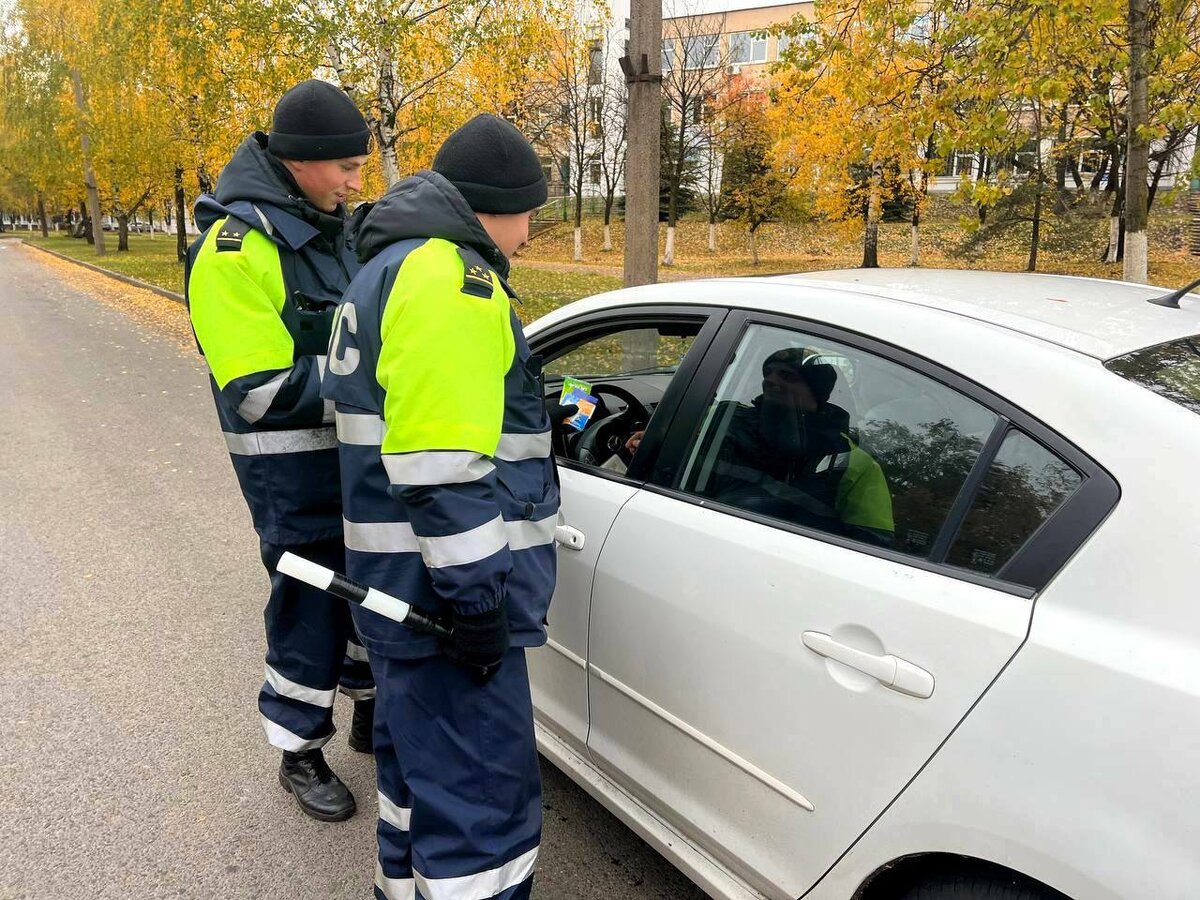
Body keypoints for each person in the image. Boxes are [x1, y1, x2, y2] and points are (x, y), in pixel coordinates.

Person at [321, 114, 555, 900]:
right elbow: (444, 470)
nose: (529, 233)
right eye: (532, 213)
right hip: (443, 606)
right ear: (502, 204)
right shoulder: (452, 279)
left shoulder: (384, 268)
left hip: (395, 586)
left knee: (417, 780)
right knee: (484, 814)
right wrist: (480, 599)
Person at [185, 79, 376, 823]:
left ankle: (365, 707)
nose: (358, 181)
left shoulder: (336, 227)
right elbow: (259, 390)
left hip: (356, 463)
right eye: (346, 167)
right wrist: (373, 378)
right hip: (289, 476)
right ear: (301, 162)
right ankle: (298, 750)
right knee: (309, 605)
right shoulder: (232, 251)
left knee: (368, 591)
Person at [694, 348, 895, 546]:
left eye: (788, 376)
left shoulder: (853, 457)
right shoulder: (722, 417)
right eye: (768, 373)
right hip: (705, 533)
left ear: (816, 390)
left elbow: (872, 542)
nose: (771, 380)